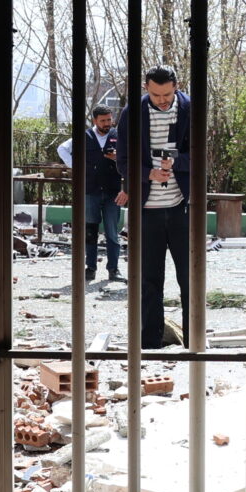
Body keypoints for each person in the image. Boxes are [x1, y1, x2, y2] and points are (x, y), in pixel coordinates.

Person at [118, 67, 193, 346]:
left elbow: (200, 156)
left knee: (190, 278)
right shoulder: (132, 113)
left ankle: (194, 340)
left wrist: (176, 162)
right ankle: (149, 343)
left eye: (167, 94)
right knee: (148, 280)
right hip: (146, 210)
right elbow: (122, 161)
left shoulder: (189, 108)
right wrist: (148, 173)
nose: (161, 100)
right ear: (145, 88)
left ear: (176, 86)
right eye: (155, 95)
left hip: (181, 207)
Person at [58, 103, 123, 284]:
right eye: (103, 121)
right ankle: (90, 268)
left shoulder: (118, 136)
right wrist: (77, 167)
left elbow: (130, 158)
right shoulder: (84, 136)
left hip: (112, 192)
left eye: (109, 120)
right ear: (95, 120)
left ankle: (114, 270)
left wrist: (117, 157)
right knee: (90, 231)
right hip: (90, 191)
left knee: (112, 233)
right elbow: (61, 149)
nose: (107, 124)